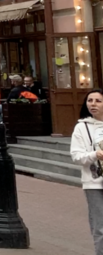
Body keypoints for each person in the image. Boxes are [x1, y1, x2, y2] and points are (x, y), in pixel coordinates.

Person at [72, 89, 103, 254]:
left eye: (98, 101)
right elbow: (76, 156)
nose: (93, 104)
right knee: (100, 225)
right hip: (94, 181)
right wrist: (95, 154)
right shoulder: (81, 128)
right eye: (90, 100)